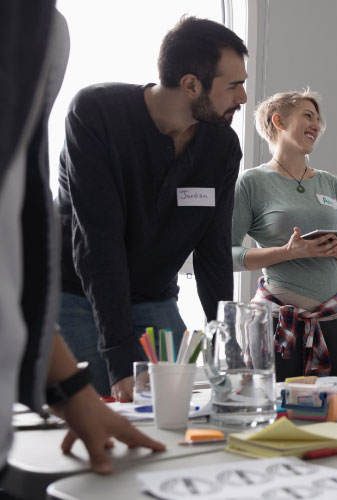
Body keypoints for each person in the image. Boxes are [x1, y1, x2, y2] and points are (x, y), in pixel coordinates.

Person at [0, 1, 164, 473]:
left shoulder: (46, 31)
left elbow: (20, 235)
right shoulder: (95, 109)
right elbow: (98, 243)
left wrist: (70, 390)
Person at [57, 17, 248, 400]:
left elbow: (212, 251)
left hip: (156, 298)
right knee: (92, 416)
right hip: (78, 295)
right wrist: (118, 353)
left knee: (174, 411)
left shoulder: (221, 146)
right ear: (191, 84)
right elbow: (98, 240)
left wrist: (226, 342)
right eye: (234, 86)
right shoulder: (96, 114)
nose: (243, 97)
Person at [234, 90, 337, 379]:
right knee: (278, 411)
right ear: (278, 121)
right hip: (278, 319)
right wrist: (288, 252)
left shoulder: (329, 182)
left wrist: (335, 249)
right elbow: (227, 254)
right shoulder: (252, 182)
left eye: (318, 119)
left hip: (335, 315)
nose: (317, 125)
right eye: (307, 115)